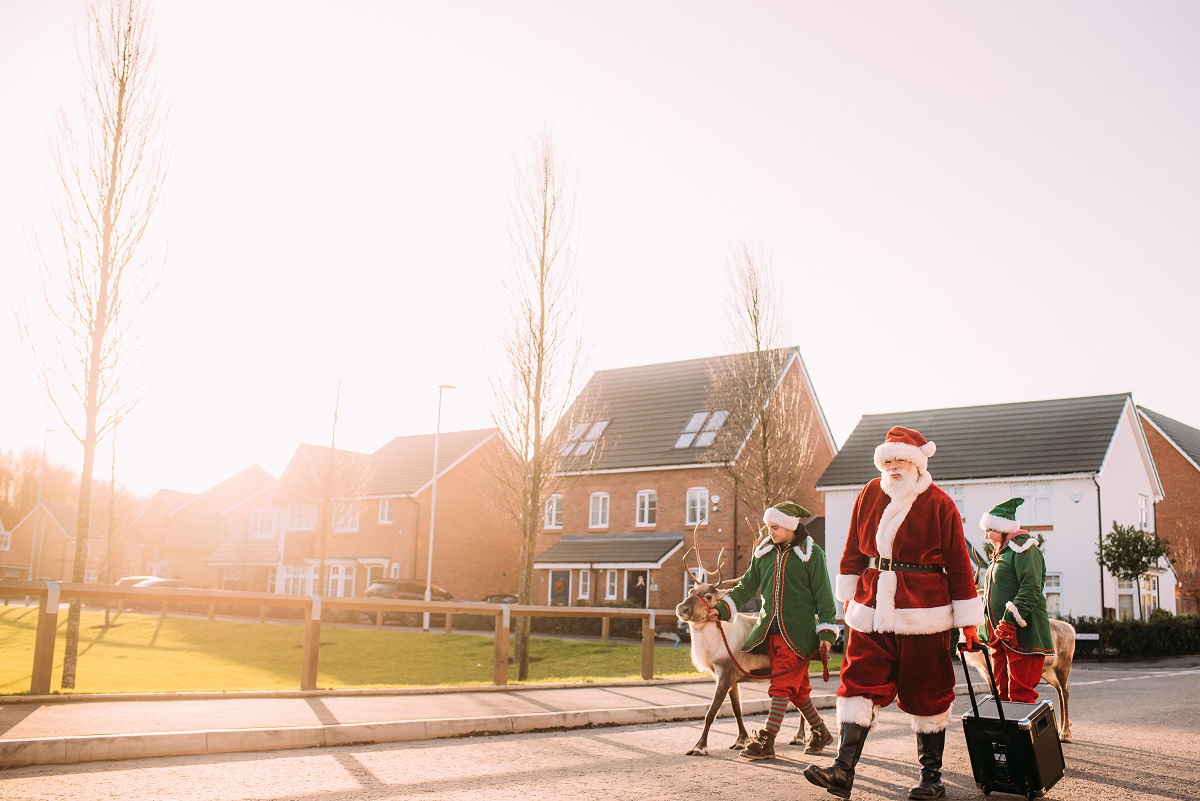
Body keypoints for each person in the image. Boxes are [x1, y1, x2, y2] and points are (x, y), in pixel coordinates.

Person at [805, 426, 984, 800]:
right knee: (857, 684)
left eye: (902, 459)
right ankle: (843, 769)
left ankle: (931, 777)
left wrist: (968, 623)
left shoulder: (940, 503)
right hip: (871, 608)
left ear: (917, 463)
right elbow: (853, 546)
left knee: (928, 692)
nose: (895, 466)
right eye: (888, 460)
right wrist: (849, 594)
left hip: (925, 613)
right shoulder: (870, 492)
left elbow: (959, 565)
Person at [710, 501, 840, 760]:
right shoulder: (764, 552)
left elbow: (825, 597)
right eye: (769, 527)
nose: (770, 532)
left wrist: (826, 633)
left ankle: (767, 739)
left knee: (781, 683)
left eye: (775, 527)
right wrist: (722, 610)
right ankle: (820, 731)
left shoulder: (812, 554)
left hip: (799, 635)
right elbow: (746, 586)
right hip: (769, 631)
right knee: (798, 689)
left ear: (791, 526)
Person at [980, 497, 1054, 703]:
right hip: (1001, 637)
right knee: (1001, 695)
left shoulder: (1025, 549)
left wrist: (1010, 622)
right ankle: (1004, 734)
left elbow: (1031, 588)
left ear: (1003, 528)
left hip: (1022, 634)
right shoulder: (1003, 552)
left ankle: (1020, 735)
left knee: (1020, 695)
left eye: (989, 530)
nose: (986, 536)